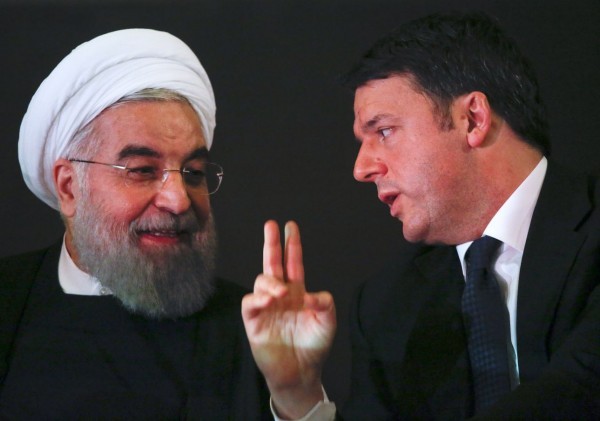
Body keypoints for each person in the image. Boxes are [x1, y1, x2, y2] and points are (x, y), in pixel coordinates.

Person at [242, 12, 600, 420]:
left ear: (472, 119)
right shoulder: (386, 307)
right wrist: (298, 396)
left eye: (383, 131)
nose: (361, 168)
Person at [0, 29, 271, 419]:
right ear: (69, 187)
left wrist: (297, 399)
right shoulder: (9, 302)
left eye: (193, 172)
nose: (178, 200)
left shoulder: (250, 328)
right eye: (143, 170)